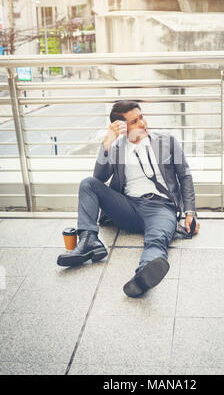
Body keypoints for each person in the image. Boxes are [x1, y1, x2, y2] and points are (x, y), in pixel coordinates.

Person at [57, 101, 199, 298]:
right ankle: (89, 240)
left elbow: (185, 176)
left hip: (161, 207)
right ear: (122, 127)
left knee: (157, 240)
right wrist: (106, 144)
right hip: (128, 206)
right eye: (135, 121)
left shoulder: (167, 140)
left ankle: (143, 275)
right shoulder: (116, 148)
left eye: (141, 117)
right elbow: (99, 178)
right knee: (88, 183)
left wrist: (189, 212)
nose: (143, 123)